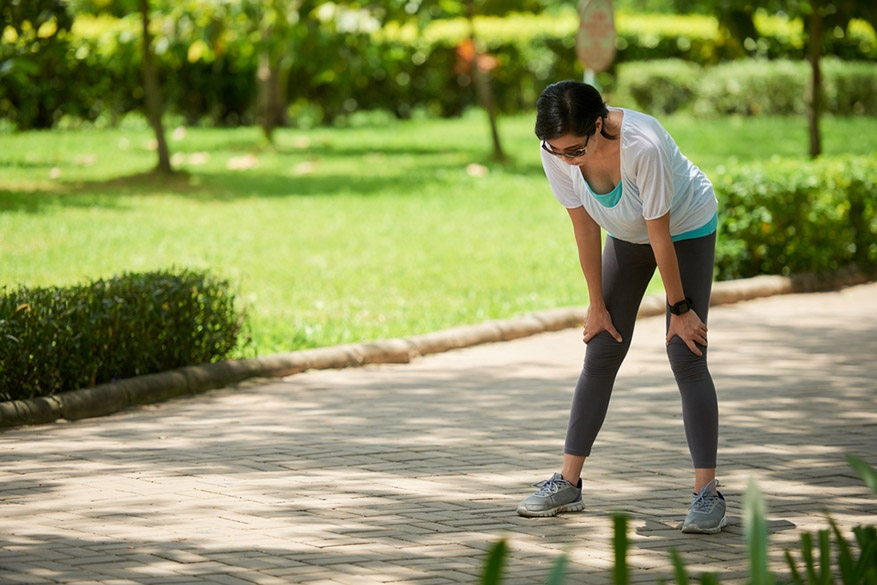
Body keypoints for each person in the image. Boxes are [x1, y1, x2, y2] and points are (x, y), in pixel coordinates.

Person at [516, 80, 727, 534]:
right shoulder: (554, 151)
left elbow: (660, 233)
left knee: (684, 351)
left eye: (574, 150)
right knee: (603, 344)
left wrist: (680, 308)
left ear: (599, 126)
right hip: (626, 233)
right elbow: (585, 227)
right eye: (556, 151)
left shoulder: (642, 146)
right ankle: (568, 483)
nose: (566, 159)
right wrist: (596, 304)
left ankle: (707, 493)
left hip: (684, 227)